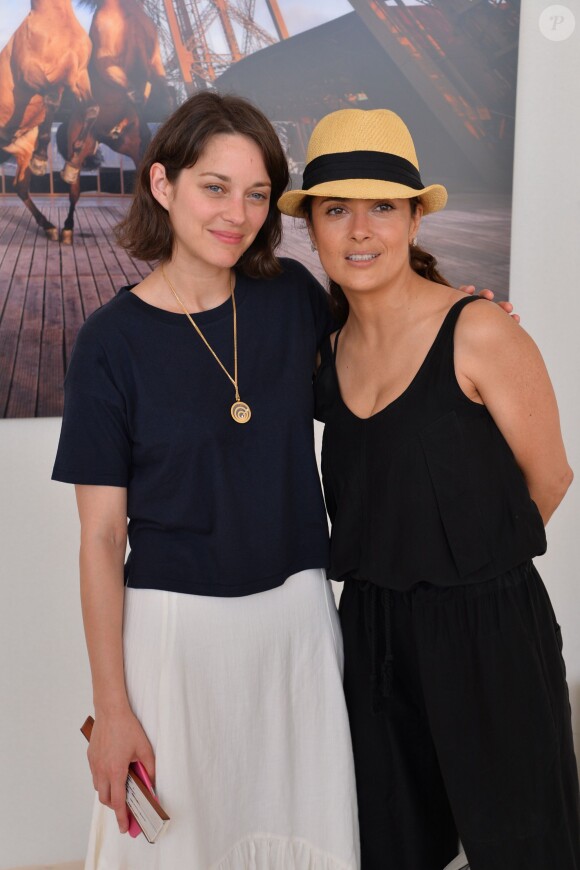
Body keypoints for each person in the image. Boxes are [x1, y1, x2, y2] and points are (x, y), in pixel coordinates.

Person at [52, 92, 360, 870]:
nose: (238, 213)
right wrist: (111, 708)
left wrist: (468, 327)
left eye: (257, 194)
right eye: (215, 188)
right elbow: (99, 537)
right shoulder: (109, 343)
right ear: (163, 185)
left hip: (296, 628)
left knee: (300, 840)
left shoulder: (292, 297)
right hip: (174, 640)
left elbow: (381, 367)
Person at [278, 108, 580, 870]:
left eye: (383, 205)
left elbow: (550, 475)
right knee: (388, 848)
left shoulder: (479, 330)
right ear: (310, 226)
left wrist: (472, 567)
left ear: (415, 219)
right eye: (335, 209)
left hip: (490, 626)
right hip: (372, 632)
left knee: (525, 848)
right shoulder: (324, 353)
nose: (359, 230)